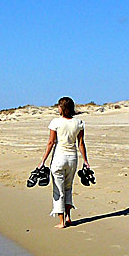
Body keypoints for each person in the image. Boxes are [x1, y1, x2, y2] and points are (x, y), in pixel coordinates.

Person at [38, 97, 90, 228]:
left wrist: (43, 160)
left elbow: (51, 142)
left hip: (59, 159)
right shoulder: (79, 122)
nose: (57, 108)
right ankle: (68, 217)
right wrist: (86, 161)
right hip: (72, 159)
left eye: (59, 106)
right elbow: (81, 144)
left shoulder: (56, 122)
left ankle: (62, 222)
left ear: (62, 108)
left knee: (58, 190)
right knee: (68, 188)